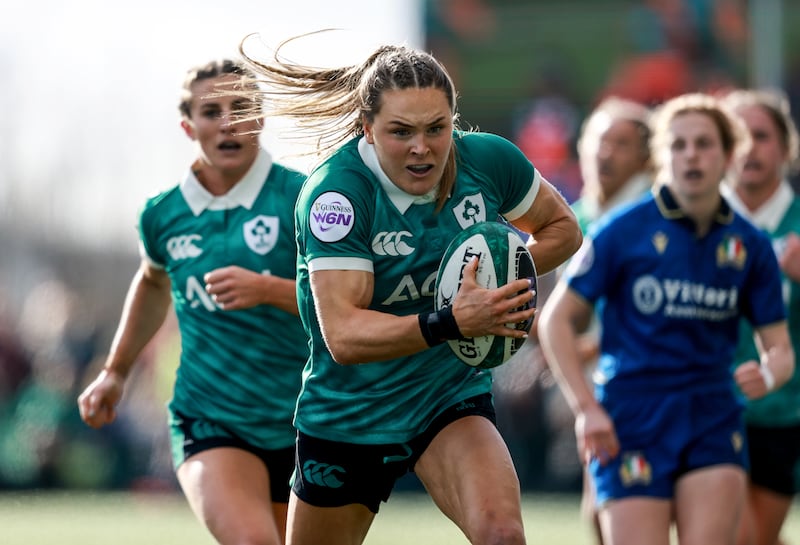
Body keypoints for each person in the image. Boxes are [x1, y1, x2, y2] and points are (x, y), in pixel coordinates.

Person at [238, 34, 583, 545]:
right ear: (367, 130)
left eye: (436, 129)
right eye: (401, 132)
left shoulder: (487, 162)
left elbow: (563, 229)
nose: (422, 147)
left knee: (503, 535)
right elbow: (345, 336)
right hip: (349, 413)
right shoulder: (337, 196)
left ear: (454, 122)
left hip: (446, 398)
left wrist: (500, 276)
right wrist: (452, 320)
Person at [537, 92, 795, 545]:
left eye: (704, 143)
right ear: (661, 156)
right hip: (630, 418)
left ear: (727, 155)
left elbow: (780, 348)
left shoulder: (749, 244)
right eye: (678, 145)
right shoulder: (620, 230)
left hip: (713, 416)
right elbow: (555, 321)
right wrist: (587, 410)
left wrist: (769, 374)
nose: (691, 155)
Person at [77, 59, 308, 545]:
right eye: (212, 111)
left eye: (241, 107)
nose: (228, 122)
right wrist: (115, 372)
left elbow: (346, 302)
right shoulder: (163, 214)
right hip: (210, 417)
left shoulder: (303, 199)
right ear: (189, 126)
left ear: (261, 118)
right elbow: (153, 283)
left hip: (307, 419)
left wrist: (268, 290)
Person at [568, 95, 654, 545]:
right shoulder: (577, 217)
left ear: (645, 156)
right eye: (600, 141)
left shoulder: (652, 218)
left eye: (621, 143)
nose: (606, 152)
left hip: (648, 379)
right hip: (593, 380)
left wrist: (587, 345)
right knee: (600, 505)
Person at [720, 88, 800, 545]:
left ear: (786, 148)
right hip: (706, 406)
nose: (750, 147)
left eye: (762, 136)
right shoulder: (689, 223)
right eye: (739, 136)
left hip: (781, 412)